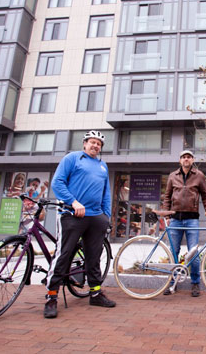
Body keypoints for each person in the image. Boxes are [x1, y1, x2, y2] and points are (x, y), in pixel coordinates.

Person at [44, 130, 116, 318]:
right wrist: (73, 202)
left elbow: (105, 193)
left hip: (96, 217)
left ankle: (96, 293)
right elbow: (57, 182)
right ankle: (52, 297)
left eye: (99, 143)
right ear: (85, 144)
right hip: (72, 214)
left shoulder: (103, 166)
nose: (95, 145)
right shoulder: (73, 158)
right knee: (64, 254)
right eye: (92, 142)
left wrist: (105, 215)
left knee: (94, 257)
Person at [161, 150, 206, 297]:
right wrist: (166, 213)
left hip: (192, 219)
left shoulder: (199, 175)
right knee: (174, 252)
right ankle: (172, 283)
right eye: (184, 157)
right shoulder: (173, 176)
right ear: (180, 160)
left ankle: (195, 283)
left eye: (189, 157)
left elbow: (205, 194)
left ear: (192, 160)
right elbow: (167, 196)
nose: (186, 159)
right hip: (175, 218)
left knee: (194, 253)